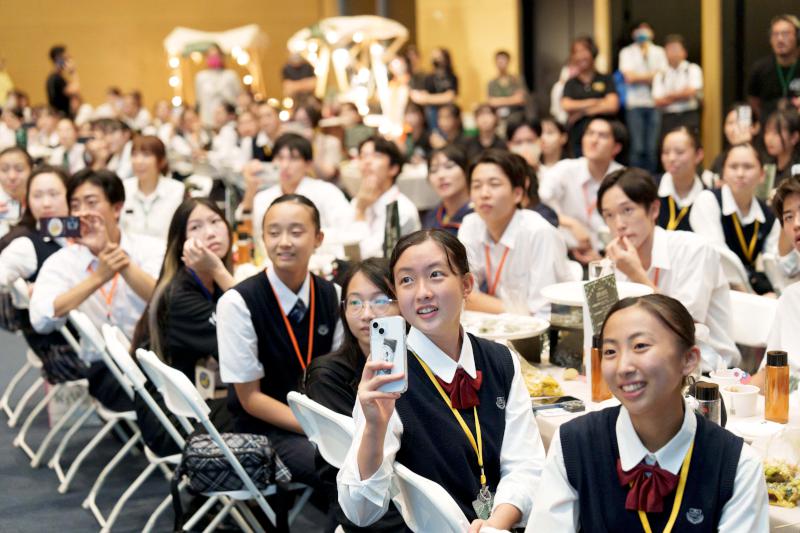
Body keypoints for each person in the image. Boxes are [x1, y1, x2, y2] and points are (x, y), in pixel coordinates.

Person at [337, 229, 545, 530]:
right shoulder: (388, 373)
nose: (421, 292)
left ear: (466, 284)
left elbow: (526, 465)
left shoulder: (501, 360)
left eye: (435, 274)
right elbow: (360, 512)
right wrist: (373, 426)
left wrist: (496, 523)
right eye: (406, 280)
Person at [529, 294, 769, 531]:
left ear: (688, 359)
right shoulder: (575, 444)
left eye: (640, 346)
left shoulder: (736, 465)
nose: (623, 367)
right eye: (610, 351)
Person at [218, 194, 343, 487]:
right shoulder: (238, 302)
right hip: (265, 426)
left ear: (318, 238)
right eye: (274, 233)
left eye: (296, 232)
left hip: (322, 420)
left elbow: (339, 374)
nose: (284, 241)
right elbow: (249, 398)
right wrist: (315, 428)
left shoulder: (332, 295)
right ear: (263, 238)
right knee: (341, 474)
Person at [30, 169, 164, 412]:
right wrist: (99, 276)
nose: (82, 213)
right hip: (106, 369)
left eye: (91, 203)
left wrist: (113, 255)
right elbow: (41, 319)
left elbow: (164, 300)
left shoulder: (149, 248)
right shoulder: (63, 261)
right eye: (75, 205)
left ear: (116, 208)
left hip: (158, 358)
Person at [598, 167, 739, 371]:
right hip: (644, 367)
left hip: (707, 372)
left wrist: (636, 274)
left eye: (627, 210)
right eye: (609, 215)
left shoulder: (694, 249)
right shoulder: (614, 259)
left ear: (654, 210)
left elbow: (684, 328)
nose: (618, 224)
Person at [304, 258, 407, 533]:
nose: (367, 314)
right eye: (355, 302)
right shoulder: (328, 375)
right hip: (368, 506)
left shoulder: (418, 366)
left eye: (381, 300)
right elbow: (350, 462)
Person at [459, 149, 571, 318]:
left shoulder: (539, 233)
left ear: (517, 194)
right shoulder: (471, 224)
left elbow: (541, 313)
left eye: (494, 184)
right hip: (503, 324)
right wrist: (515, 311)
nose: (484, 194)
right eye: (476, 186)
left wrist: (484, 303)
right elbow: (464, 295)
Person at [131, 198, 234, 381]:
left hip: (198, 391)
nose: (210, 233)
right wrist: (218, 270)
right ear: (181, 244)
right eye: (195, 227)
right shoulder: (180, 296)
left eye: (215, 221)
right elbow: (249, 325)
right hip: (173, 404)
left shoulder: (211, 281)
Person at [690, 143, 781, 294]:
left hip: (745, 291)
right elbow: (718, 256)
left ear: (762, 175)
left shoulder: (769, 215)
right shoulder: (708, 200)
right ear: (724, 172)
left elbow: (773, 262)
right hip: (708, 288)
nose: (740, 173)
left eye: (748, 167)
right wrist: (751, 297)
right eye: (733, 166)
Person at [246, 133, 352, 258]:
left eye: (293, 158)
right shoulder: (263, 197)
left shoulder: (327, 191)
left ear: (308, 164)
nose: (285, 165)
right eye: (280, 158)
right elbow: (257, 238)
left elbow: (347, 231)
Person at [539, 117, 626, 262]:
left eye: (602, 136)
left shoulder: (624, 178)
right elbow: (537, 204)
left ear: (616, 147)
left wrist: (601, 259)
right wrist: (571, 224)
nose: (594, 140)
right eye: (589, 133)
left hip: (609, 258)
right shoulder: (565, 169)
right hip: (566, 254)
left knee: (604, 283)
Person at [352, 136, 421, 259]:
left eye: (376, 155)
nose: (367, 162)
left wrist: (360, 212)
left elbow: (367, 256)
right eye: (363, 156)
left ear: (393, 168)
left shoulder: (402, 209)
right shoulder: (358, 200)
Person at [619, 22, 668, 173]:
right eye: (639, 30)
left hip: (654, 103)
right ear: (634, 34)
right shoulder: (626, 52)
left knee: (652, 147)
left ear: (651, 33)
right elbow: (629, 78)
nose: (642, 33)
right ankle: (636, 179)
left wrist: (639, 77)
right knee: (637, 147)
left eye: (646, 30)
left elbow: (663, 75)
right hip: (634, 104)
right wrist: (651, 76)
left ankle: (651, 180)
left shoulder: (659, 51)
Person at [561, 36, 620, 158]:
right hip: (578, 133)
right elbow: (566, 105)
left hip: (604, 131)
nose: (580, 56)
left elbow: (612, 105)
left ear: (593, 53)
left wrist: (581, 112)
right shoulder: (571, 83)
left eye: (584, 51)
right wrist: (597, 101)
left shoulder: (606, 79)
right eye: (576, 52)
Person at [121, 135, 185, 241]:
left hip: (165, 253)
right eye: (134, 155)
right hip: (129, 254)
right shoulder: (124, 188)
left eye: (146, 155)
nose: (138, 161)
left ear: (161, 160)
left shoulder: (177, 190)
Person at [747, 14, 800, 123]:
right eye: (775, 34)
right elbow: (753, 100)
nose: (780, 39)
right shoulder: (759, 69)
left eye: (785, 34)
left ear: (797, 37)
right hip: (768, 129)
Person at [653, 34, 703, 141]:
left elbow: (691, 92)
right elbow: (657, 101)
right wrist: (681, 94)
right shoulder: (661, 74)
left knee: (691, 143)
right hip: (668, 117)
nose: (673, 53)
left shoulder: (692, 69)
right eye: (669, 49)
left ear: (684, 52)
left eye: (676, 49)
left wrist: (669, 96)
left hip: (688, 115)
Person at [657, 126, 706, 232]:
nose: (671, 158)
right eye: (666, 152)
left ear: (698, 155)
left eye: (679, 152)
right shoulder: (650, 189)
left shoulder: (708, 196)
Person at [423, 145, 472, 235]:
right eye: (434, 170)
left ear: (466, 171)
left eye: (449, 166)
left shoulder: (479, 215)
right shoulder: (432, 217)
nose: (441, 175)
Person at [411, 47, 458, 133]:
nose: (436, 60)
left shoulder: (451, 77)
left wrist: (429, 98)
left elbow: (450, 97)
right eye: (434, 58)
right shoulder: (429, 77)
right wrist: (438, 98)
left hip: (447, 111)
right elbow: (421, 98)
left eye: (439, 57)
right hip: (432, 113)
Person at [292, 103, 342, 182]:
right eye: (297, 121)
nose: (300, 127)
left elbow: (327, 174)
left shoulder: (331, 142)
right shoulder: (292, 144)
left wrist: (310, 145)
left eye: (304, 121)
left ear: (314, 122)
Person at [195, 44, 242, 128]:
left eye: (216, 55)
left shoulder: (230, 75)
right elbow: (199, 100)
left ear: (222, 57)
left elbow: (239, 97)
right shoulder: (201, 77)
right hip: (208, 122)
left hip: (229, 122)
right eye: (211, 56)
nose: (214, 58)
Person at [763, 109, 800, 187]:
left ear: (794, 137)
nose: (769, 138)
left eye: (775, 133)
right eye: (767, 132)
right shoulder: (767, 165)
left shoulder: (797, 169)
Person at [0, 147, 32, 237]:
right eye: (4, 169)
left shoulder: (41, 202)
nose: (12, 176)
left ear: (32, 170)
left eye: (19, 169)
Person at [486, 50, 527, 120]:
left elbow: (520, 99)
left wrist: (498, 100)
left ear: (508, 61)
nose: (501, 63)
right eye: (498, 61)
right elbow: (491, 102)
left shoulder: (517, 80)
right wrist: (512, 99)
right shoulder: (492, 83)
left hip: (516, 116)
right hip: (498, 117)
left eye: (503, 60)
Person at [45, 45, 79, 118]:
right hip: (61, 117)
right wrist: (73, 72)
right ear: (58, 59)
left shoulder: (57, 78)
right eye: (66, 58)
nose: (69, 61)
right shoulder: (55, 79)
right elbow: (75, 89)